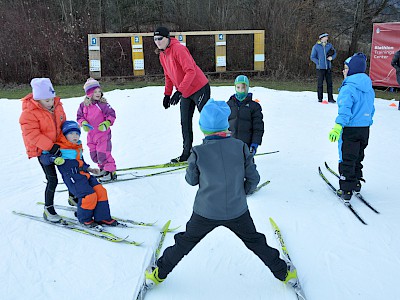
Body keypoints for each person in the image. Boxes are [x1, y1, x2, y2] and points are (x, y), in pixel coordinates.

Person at [144, 99, 298, 290]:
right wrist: (244, 192)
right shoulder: (240, 147)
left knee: (185, 241)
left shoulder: (198, 152)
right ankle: (284, 272)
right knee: (255, 241)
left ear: (203, 128)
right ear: (226, 125)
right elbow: (253, 178)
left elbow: (191, 180)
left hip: (205, 212)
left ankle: (158, 273)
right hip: (237, 210)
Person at [19, 78, 78, 223]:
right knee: (52, 180)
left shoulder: (58, 106)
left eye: (52, 98)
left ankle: (73, 196)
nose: (51, 102)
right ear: (37, 99)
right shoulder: (29, 113)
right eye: (47, 100)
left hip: (60, 147)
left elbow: (62, 124)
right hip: (43, 151)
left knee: (69, 172)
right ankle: (48, 209)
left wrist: (70, 136)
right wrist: (50, 147)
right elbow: (32, 135)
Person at [40, 121, 119, 227]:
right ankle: (84, 218)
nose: (75, 136)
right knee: (89, 196)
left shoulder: (77, 146)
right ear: (65, 134)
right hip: (72, 177)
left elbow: (81, 161)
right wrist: (54, 159)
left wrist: (90, 169)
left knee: (101, 191)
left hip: (84, 174)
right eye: (71, 133)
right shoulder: (58, 147)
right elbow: (43, 157)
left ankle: (102, 217)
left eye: (77, 133)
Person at [154, 26, 211, 163]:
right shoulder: (163, 54)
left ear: (167, 38)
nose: (158, 42)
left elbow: (191, 71)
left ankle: (213, 150)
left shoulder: (178, 49)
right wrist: (167, 94)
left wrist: (179, 91)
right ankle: (186, 153)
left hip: (199, 87)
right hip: (185, 91)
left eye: (160, 38)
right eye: (155, 39)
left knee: (207, 121)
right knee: (185, 122)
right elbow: (168, 75)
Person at [328, 53, 375, 202]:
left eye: (346, 68)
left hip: (350, 129)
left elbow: (344, 110)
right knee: (358, 157)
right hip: (365, 129)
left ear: (353, 70)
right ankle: (356, 183)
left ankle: (346, 190)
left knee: (347, 158)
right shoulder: (368, 87)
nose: (344, 71)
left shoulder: (348, 88)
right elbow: (371, 109)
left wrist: (337, 126)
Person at [77, 78, 117, 181]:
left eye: (99, 91)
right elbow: (79, 117)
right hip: (91, 135)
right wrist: (83, 123)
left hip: (103, 134)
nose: (98, 93)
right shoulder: (83, 105)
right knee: (94, 156)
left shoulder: (103, 105)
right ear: (89, 93)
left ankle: (110, 171)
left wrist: (107, 123)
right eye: (95, 91)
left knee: (103, 154)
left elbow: (111, 114)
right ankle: (102, 169)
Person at [227, 75, 264, 154]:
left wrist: (255, 144)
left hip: (246, 145)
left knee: (247, 165)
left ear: (247, 88)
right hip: (231, 144)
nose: (241, 90)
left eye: (243, 88)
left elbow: (258, 127)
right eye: (238, 87)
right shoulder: (229, 105)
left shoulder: (254, 106)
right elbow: (223, 125)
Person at [310, 33, 337, 103]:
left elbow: (334, 53)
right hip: (320, 68)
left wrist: (332, 57)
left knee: (329, 84)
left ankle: (330, 98)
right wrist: (318, 62)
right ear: (321, 38)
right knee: (320, 84)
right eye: (325, 37)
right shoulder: (316, 47)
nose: (327, 38)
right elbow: (312, 57)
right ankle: (320, 98)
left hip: (328, 67)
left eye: (327, 37)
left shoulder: (329, 45)